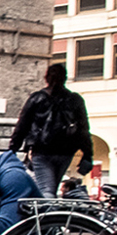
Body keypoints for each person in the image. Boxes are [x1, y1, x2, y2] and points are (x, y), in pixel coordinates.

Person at [8, 62, 93, 196]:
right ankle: (50, 214)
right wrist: (87, 155)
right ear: (65, 78)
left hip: (41, 151)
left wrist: (12, 149)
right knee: (51, 187)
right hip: (66, 151)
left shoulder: (36, 98)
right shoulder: (75, 100)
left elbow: (22, 126)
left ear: (46, 78)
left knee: (46, 189)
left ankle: (47, 215)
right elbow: (83, 129)